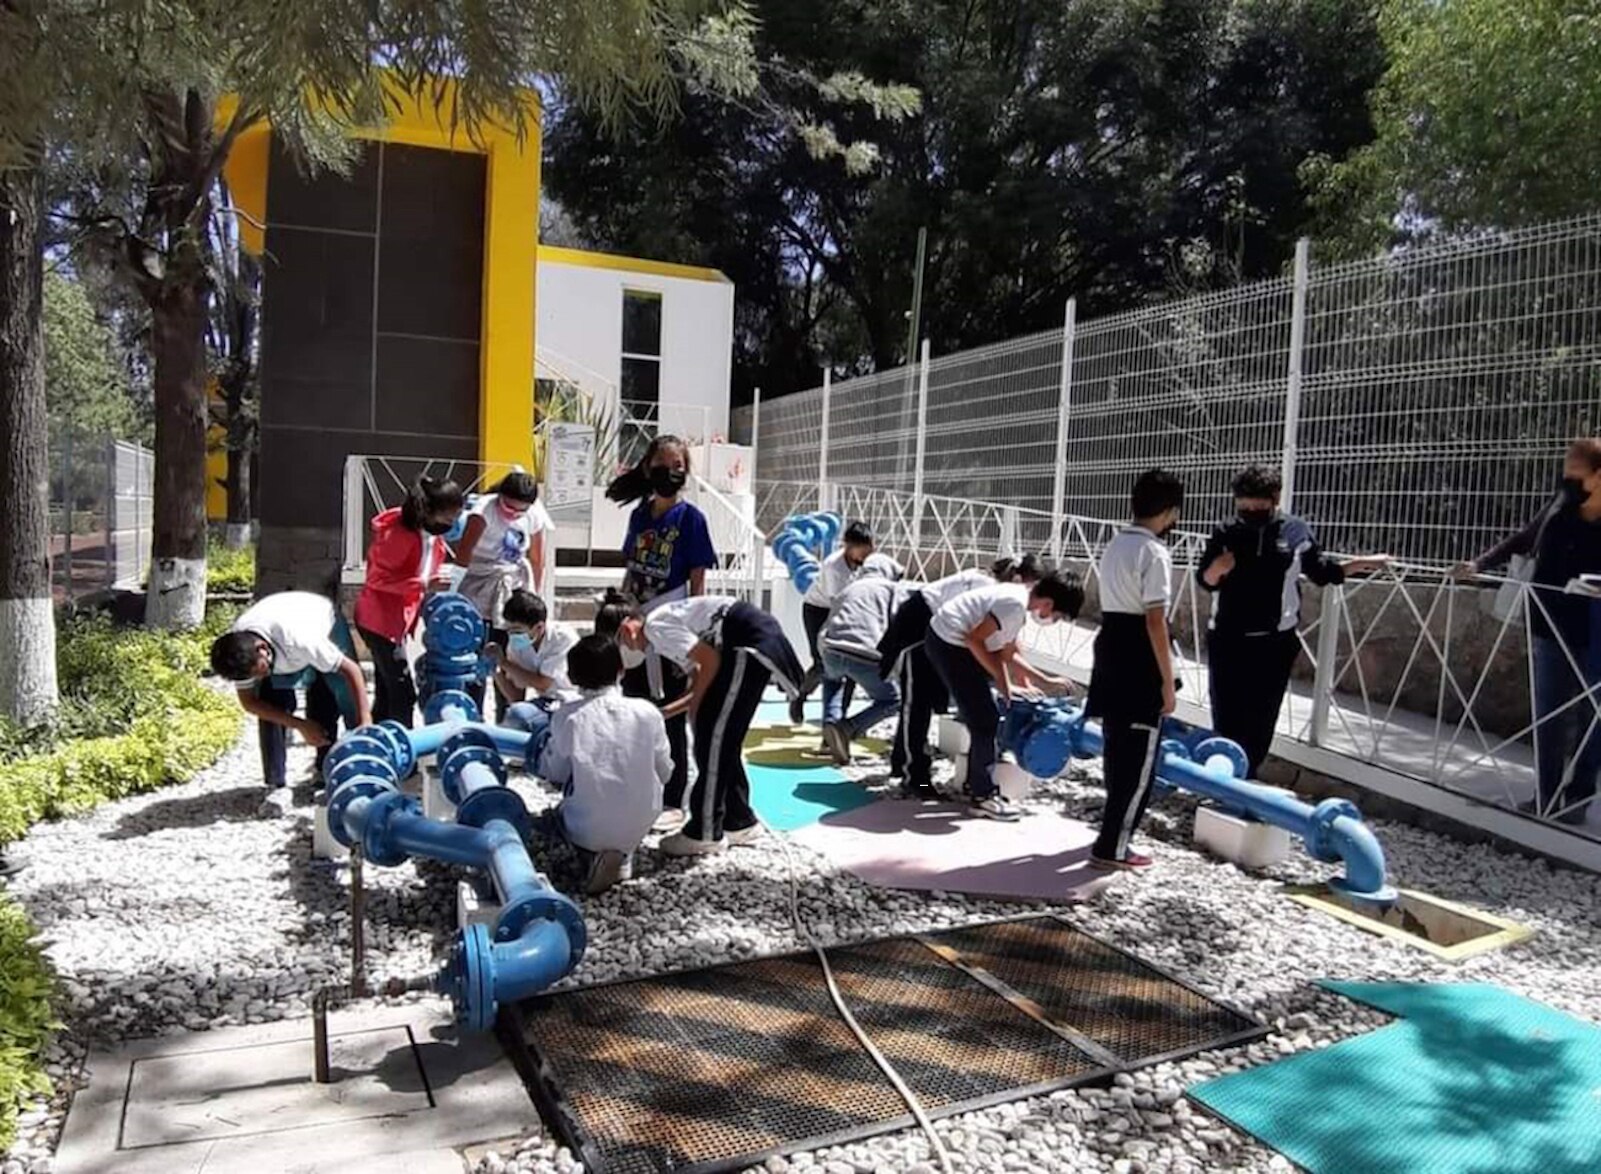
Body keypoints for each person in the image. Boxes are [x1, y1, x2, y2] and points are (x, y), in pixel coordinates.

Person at [1196, 465, 1389, 777]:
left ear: (1274, 499)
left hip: (1274, 643)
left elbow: (1322, 571)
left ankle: (1244, 780)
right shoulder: (1225, 531)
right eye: (1243, 506)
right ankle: (1225, 781)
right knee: (1227, 718)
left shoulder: (1295, 531)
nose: (1250, 512)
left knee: (1260, 721)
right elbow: (1204, 580)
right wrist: (1217, 568)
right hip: (1227, 639)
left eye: (1257, 506)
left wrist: (1364, 564)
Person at [1455, 438, 1601, 825]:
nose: (1566, 478)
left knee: (1594, 718)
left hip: (1595, 628)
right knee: (1549, 714)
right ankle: (1547, 797)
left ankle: (1578, 798)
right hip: (1549, 622)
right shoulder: (1561, 503)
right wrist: (1480, 563)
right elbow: (1526, 537)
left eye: (1575, 471)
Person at [601, 594, 805, 855]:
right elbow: (698, 672)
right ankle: (739, 819)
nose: (631, 649)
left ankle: (705, 832)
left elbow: (709, 662)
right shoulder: (660, 628)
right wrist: (671, 711)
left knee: (714, 738)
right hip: (743, 642)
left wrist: (697, 709)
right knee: (720, 736)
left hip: (745, 642)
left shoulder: (655, 627)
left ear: (627, 627)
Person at [606, 435, 719, 815]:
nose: (669, 473)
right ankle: (639, 784)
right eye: (662, 465)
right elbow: (630, 567)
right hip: (634, 617)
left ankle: (673, 796)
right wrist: (622, 610)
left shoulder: (692, 519)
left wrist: (695, 627)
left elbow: (697, 578)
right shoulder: (640, 514)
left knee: (669, 705)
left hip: (669, 618)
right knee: (633, 699)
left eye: (677, 467)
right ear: (647, 466)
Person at [924, 569, 1083, 820]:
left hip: (950, 639)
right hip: (950, 643)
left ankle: (975, 781)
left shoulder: (1016, 601)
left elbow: (1006, 654)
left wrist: (1043, 681)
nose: (1053, 619)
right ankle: (983, 796)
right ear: (1048, 603)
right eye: (1057, 614)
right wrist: (1003, 683)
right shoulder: (1013, 607)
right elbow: (975, 640)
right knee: (985, 720)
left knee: (984, 709)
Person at [1085, 469, 1184, 870]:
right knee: (1139, 758)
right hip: (1138, 655)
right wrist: (1167, 681)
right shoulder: (1154, 552)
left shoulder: (1115, 546)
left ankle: (1112, 834)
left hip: (1110, 644)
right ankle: (1114, 845)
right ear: (1170, 511)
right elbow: (1154, 621)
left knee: (1115, 746)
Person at [879, 557, 1042, 797]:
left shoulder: (1004, 595)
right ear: (1019, 579)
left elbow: (1010, 643)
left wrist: (1024, 684)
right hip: (919, 628)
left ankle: (903, 764)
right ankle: (915, 778)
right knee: (916, 704)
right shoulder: (989, 588)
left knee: (926, 704)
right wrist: (1005, 681)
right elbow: (989, 644)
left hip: (939, 633)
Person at [536, 634, 672, 895]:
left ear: (573, 678)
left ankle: (589, 857)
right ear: (621, 670)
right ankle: (623, 855)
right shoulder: (647, 712)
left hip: (587, 826)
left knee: (558, 813)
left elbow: (554, 771)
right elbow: (665, 770)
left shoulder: (568, 716)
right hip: (643, 818)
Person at [210, 591, 373, 792]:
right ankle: (275, 784)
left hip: (321, 619)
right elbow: (250, 702)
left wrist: (365, 721)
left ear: (262, 649)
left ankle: (343, 765)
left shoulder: (300, 638)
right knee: (270, 702)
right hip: (279, 631)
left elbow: (351, 670)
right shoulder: (237, 652)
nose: (259, 677)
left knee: (334, 694)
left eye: (259, 671)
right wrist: (301, 725)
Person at [352, 476, 464, 727]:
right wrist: (423, 585)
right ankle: (405, 748)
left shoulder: (430, 534)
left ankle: (381, 736)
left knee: (387, 688)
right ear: (428, 511)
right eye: (448, 518)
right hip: (379, 619)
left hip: (396, 619)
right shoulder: (398, 536)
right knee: (402, 691)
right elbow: (377, 579)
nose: (452, 523)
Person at [454, 472, 553, 720]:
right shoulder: (484, 510)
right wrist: (453, 592)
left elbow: (538, 558)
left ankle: (508, 715)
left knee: (512, 656)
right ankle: (473, 716)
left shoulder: (533, 513)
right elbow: (464, 553)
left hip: (514, 586)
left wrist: (535, 595)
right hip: (479, 585)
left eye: (520, 511)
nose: (513, 515)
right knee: (479, 655)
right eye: (508, 508)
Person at [792, 522, 895, 722]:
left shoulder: (869, 563)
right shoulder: (834, 568)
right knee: (824, 663)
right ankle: (800, 695)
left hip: (848, 609)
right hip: (820, 609)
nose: (865, 557)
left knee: (851, 665)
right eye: (861, 551)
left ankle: (840, 720)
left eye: (869, 550)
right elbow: (838, 605)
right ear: (847, 546)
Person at [818, 566, 911, 764]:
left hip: (832, 649)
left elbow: (829, 619)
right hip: (865, 654)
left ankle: (831, 725)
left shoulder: (850, 587)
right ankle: (847, 728)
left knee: (832, 681)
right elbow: (898, 623)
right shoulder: (892, 589)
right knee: (892, 700)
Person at [491, 590, 579, 729]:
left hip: (571, 701)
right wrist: (494, 667)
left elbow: (543, 683)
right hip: (545, 702)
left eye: (518, 631)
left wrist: (504, 663)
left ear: (539, 627)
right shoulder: (516, 644)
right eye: (509, 631)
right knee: (514, 716)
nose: (512, 635)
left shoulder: (562, 638)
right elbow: (516, 697)